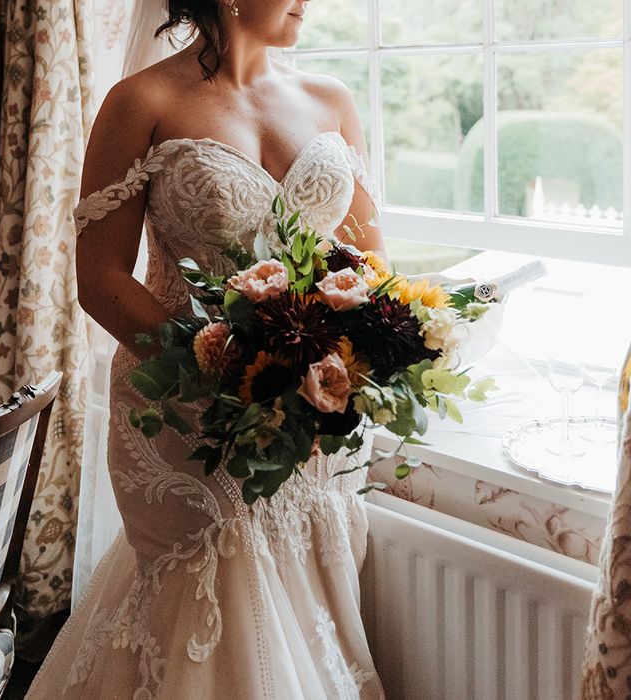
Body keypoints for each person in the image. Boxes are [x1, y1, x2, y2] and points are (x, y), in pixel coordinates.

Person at [27, 1, 387, 697]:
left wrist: (335, 359)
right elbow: (99, 277)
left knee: (302, 589)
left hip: (313, 409)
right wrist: (224, 366)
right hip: (183, 410)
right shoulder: (143, 102)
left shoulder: (332, 100)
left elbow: (366, 259)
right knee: (206, 595)